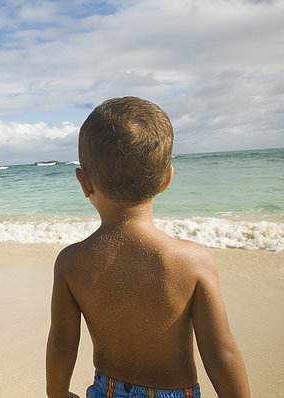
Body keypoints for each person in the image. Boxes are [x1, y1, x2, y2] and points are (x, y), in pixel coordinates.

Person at [45, 97, 250, 398]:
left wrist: (58, 394)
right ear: (166, 179)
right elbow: (221, 354)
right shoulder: (193, 261)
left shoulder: (71, 262)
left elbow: (62, 344)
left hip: (106, 391)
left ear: (84, 183)